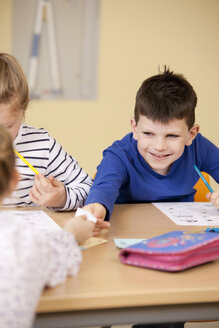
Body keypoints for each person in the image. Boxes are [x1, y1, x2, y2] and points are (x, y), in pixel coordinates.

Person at [84, 69, 219, 236]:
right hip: (129, 235)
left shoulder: (199, 147)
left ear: (191, 134)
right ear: (135, 128)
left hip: (184, 236)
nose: (159, 146)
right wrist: (97, 208)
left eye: (172, 135)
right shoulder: (119, 155)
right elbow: (103, 187)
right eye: (148, 134)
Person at [0, 124, 94, 328]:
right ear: (15, 180)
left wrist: (62, 198)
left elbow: (86, 185)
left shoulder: (43, 144)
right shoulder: (25, 246)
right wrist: (74, 232)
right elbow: (62, 251)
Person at [0, 53, 92, 210]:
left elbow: (88, 188)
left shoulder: (42, 145)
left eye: (7, 126)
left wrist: (61, 198)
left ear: (24, 107)